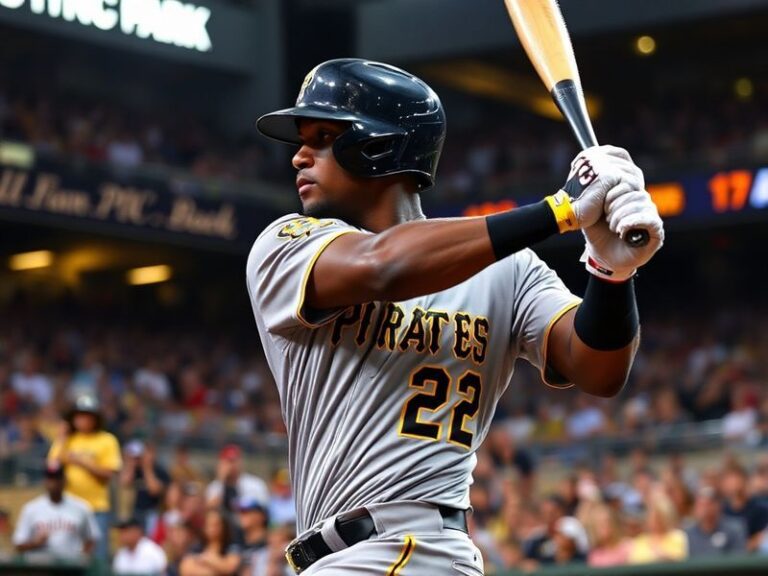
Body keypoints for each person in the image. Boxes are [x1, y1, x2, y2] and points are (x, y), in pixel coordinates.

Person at [247, 58, 664, 574]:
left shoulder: (508, 270)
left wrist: (611, 272)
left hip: (405, 551)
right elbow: (383, 266)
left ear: (379, 146)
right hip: (347, 557)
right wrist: (560, 210)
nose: (299, 156)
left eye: (324, 137)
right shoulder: (287, 245)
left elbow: (598, 371)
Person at [47, 394, 122, 561]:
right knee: (67, 555)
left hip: (96, 508)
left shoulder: (106, 440)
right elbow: (52, 467)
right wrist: (61, 438)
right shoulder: (67, 441)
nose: (83, 419)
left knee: (97, 556)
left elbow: (109, 473)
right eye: (79, 415)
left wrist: (81, 462)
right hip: (68, 509)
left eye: (87, 415)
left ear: (96, 418)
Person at [12, 462, 100, 559]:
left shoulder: (81, 507)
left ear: (64, 480)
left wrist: (82, 559)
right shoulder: (31, 509)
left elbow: (91, 538)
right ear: (44, 481)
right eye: (50, 478)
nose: (53, 482)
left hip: (70, 565)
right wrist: (34, 543)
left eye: (57, 478)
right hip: (40, 565)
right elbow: (18, 544)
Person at [120, 439, 171, 532]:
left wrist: (147, 467)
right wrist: (131, 463)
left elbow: (154, 490)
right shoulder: (135, 471)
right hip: (134, 511)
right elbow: (124, 482)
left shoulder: (160, 471)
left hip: (153, 512)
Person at [628, 490, 688, 564]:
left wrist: (662, 555)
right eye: (652, 516)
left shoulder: (677, 536)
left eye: (658, 517)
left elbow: (680, 559)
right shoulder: (640, 540)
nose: (654, 521)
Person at [684, 486, 746, 557]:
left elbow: (739, 557)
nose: (705, 509)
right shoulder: (688, 534)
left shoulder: (734, 528)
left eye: (708, 504)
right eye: (700, 505)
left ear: (718, 506)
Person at [205, 445, 269, 513]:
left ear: (241, 462)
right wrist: (221, 480)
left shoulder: (255, 484)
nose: (231, 465)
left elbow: (263, 510)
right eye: (227, 461)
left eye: (234, 461)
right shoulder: (214, 486)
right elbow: (211, 506)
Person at [180, 509, 241, 576]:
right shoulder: (196, 548)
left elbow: (229, 568)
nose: (213, 528)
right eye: (209, 524)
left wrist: (205, 559)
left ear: (224, 526)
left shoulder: (231, 547)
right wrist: (219, 568)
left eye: (216, 524)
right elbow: (185, 569)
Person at [236, 496, 270, 576]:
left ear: (261, 516)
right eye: (240, 512)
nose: (241, 515)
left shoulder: (272, 542)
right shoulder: (236, 542)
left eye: (246, 511)